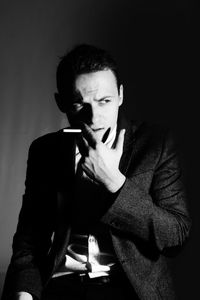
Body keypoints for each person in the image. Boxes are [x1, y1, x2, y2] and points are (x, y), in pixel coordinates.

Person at [1, 44, 191, 300]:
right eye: (80, 104)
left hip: (133, 290)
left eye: (105, 101)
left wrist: (114, 182)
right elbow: (29, 244)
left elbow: (176, 237)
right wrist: (22, 294)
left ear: (121, 96)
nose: (93, 117)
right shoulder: (44, 151)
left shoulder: (156, 144)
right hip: (62, 287)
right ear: (61, 103)